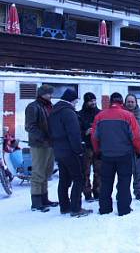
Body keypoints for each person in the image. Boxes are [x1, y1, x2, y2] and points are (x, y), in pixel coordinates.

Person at [91, 92, 140, 216]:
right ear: (122, 102)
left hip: (107, 155)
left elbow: (94, 137)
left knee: (106, 182)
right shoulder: (128, 116)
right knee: (124, 182)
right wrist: (138, 150)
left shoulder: (100, 116)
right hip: (124, 155)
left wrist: (97, 151)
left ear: (110, 102)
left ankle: (105, 208)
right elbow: (136, 136)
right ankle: (124, 209)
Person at [49, 89, 92, 218]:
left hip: (58, 150)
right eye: (76, 101)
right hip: (70, 151)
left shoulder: (54, 111)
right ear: (71, 100)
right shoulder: (68, 112)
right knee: (78, 178)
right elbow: (74, 134)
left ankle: (64, 206)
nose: (76, 104)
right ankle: (76, 208)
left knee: (64, 179)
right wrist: (79, 151)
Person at [25, 84, 58, 213]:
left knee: (47, 172)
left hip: (50, 144)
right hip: (39, 144)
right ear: (41, 94)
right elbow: (30, 126)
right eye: (48, 93)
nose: (51, 95)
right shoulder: (33, 107)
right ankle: (36, 201)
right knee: (38, 172)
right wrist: (42, 137)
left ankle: (45, 198)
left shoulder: (49, 106)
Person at [77, 92, 101, 202]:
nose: (93, 103)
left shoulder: (100, 113)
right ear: (86, 102)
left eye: (94, 100)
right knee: (85, 171)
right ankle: (87, 193)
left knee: (99, 170)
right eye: (91, 101)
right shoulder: (80, 114)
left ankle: (98, 191)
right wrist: (84, 132)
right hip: (86, 146)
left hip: (98, 146)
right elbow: (76, 131)